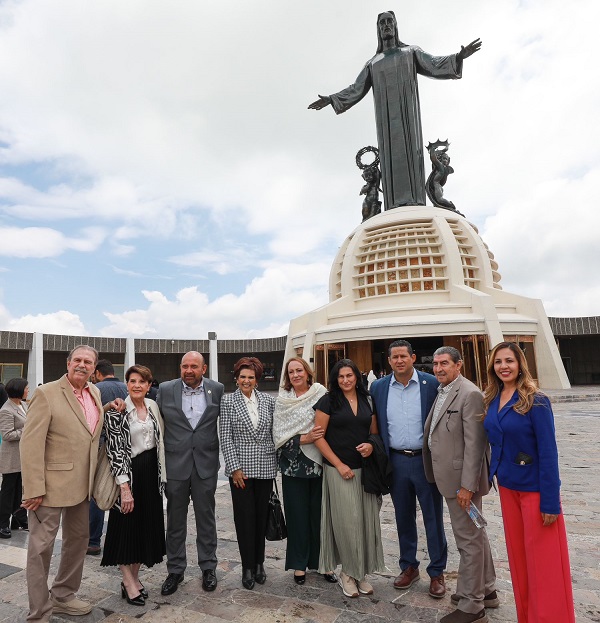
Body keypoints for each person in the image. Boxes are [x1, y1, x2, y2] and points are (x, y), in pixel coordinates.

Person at [309, 11, 481, 209]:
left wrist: (458, 57)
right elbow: (356, 88)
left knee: (410, 152)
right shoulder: (373, 63)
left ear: (396, 26)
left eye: (390, 21)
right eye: (382, 23)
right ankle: (394, 207)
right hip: (385, 122)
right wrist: (332, 99)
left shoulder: (410, 52)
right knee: (391, 157)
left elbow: (433, 64)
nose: (386, 25)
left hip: (408, 117)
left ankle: (415, 203)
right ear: (378, 29)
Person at [483, 342, 575, 623]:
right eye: (498, 362)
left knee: (543, 564)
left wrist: (550, 501)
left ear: (520, 363)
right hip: (509, 488)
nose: (504, 366)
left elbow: (549, 452)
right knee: (520, 561)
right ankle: (528, 616)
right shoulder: (492, 397)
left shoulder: (536, 400)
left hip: (535, 492)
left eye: (509, 360)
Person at [20, 345, 105, 621]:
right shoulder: (46, 393)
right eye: (77, 360)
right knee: (41, 549)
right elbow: (30, 444)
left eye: (88, 362)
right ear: (68, 363)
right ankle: (39, 611)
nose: (82, 365)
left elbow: (85, 430)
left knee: (78, 541)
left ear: (94, 368)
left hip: (83, 486)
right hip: (49, 488)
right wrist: (33, 489)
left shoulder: (95, 392)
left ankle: (63, 595)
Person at [422, 347, 497, 623]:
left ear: (459, 365)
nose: (439, 368)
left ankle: (471, 605)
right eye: (436, 364)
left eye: (445, 363)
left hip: (461, 484)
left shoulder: (470, 393)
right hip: (450, 479)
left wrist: (467, 486)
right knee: (477, 534)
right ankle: (486, 590)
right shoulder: (445, 389)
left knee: (468, 542)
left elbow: (476, 445)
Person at [370, 340, 447, 597]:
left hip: (425, 460)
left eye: (404, 356)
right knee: (403, 517)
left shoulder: (431, 384)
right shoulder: (379, 388)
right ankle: (409, 566)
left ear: (413, 358)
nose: (399, 361)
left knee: (433, 517)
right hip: (397, 462)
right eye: (395, 357)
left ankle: (437, 571)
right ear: (389, 361)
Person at [313, 358, 385, 598]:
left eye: (349, 376)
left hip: (365, 470)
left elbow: (374, 433)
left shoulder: (368, 400)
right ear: (335, 379)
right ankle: (347, 573)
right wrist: (339, 464)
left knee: (364, 522)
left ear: (357, 377)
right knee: (347, 523)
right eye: (341, 377)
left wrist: (371, 446)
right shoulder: (327, 401)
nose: (345, 380)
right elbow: (319, 437)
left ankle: (360, 572)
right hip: (339, 471)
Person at [157, 351, 224, 595]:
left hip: (205, 465)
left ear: (203, 369)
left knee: (206, 519)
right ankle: (175, 570)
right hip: (175, 465)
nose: (188, 370)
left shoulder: (217, 389)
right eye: (184, 366)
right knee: (175, 521)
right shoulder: (165, 389)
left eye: (193, 366)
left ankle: (208, 567)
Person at [101, 365, 166, 606]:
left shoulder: (152, 406)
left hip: (150, 474)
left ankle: (134, 578)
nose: (137, 385)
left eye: (142, 381)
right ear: (126, 384)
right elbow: (115, 452)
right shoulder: (118, 411)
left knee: (144, 528)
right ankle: (127, 581)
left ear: (149, 386)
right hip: (128, 475)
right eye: (132, 381)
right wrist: (124, 488)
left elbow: (159, 442)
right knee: (125, 528)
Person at [273, 357, 337, 585]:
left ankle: (323, 563)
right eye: (291, 372)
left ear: (308, 372)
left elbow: (331, 424)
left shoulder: (321, 394)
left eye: (299, 370)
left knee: (320, 516)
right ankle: (299, 564)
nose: (295, 375)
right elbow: (278, 433)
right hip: (293, 465)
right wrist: (304, 438)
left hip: (319, 462)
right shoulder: (283, 401)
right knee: (297, 516)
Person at [219, 357, 276, 590]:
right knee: (244, 520)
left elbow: (275, 431)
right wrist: (234, 468)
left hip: (265, 468)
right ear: (237, 378)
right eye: (242, 376)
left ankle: (260, 562)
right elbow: (226, 436)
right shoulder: (228, 401)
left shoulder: (268, 401)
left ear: (257, 380)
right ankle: (247, 566)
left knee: (261, 518)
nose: (246, 380)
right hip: (240, 471)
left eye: (251, 377)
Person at [87, 359, 128, 556]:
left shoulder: (95, 389)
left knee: (99, 491)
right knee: (121, 491)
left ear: (97, 373)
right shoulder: (127, 387)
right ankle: (119, 538)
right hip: (124, 447)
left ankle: (93, 541)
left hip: (101, 445)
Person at [0, 377, 29, 538]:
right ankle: (3, 523)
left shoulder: (23, 405)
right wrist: (27, 430)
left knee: (20, 490)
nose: (28, 390)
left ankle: (18, 519)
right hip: (11, 457)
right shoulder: (6, 409)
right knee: (8, 491)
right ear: (19, 389)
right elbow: (7, 434)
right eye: (26, 388)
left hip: (22, 455)